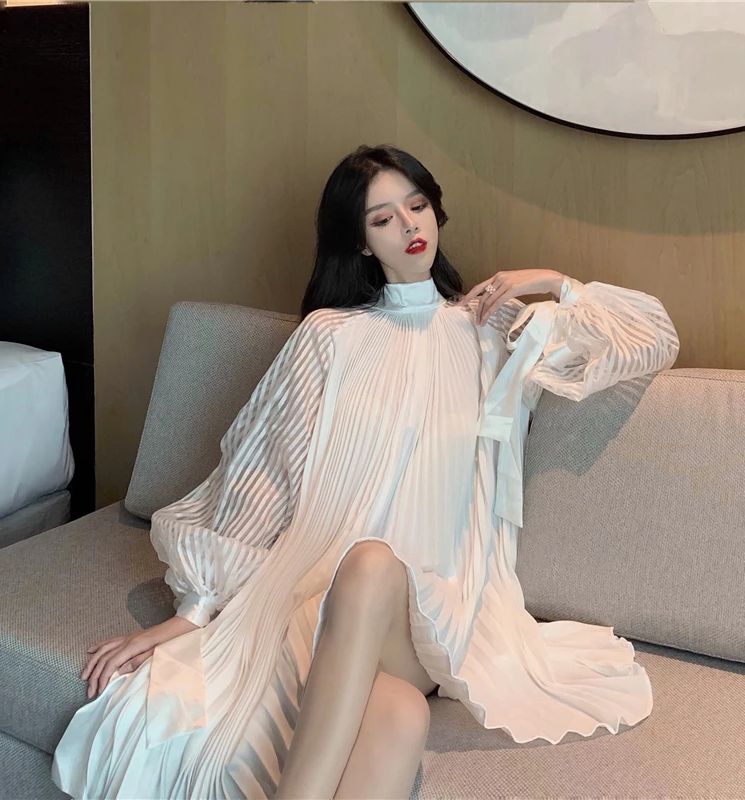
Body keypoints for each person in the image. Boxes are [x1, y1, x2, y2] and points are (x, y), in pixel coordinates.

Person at [52, 144, 680, 799]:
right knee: (399, 713)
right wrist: (197, 609)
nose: (409, 225)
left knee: (373, 564)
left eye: (417, 205)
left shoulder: (494, 332)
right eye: (383, 218)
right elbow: (264, 475)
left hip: (444, 614)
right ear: (359, 241)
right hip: (328, 606)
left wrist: (546, 281)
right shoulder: (328, 337)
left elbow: (652, 336)